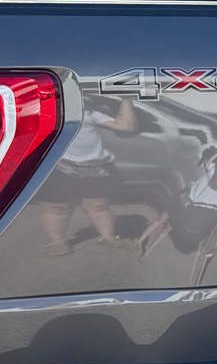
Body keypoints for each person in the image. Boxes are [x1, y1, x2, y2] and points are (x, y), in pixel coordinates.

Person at [36, 97, 141, 256]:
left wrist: (126, 99)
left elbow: (125, 126)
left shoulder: (89, 111)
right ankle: (55, 243)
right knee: (57, 207)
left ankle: (108, 237)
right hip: (59, 165)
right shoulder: (41, 112)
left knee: (98, 206)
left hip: (96, 166)